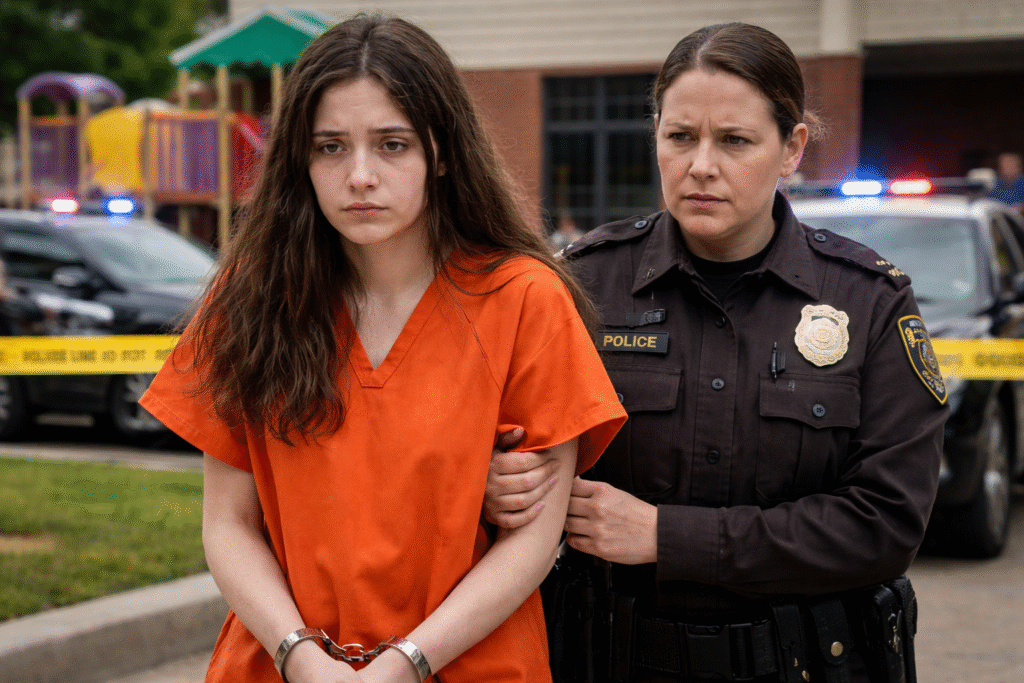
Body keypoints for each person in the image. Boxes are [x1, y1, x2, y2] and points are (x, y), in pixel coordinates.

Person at [139, 13, 625, 683]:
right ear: (299, 159)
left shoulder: (525, 299)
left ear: (441, 151)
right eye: (330, 147)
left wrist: (406, 663)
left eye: (391, 145)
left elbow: (535, 540)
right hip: (279, 665)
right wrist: (301, 657)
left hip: (471, 663)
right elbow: (226, 525)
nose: (360, 175)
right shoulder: (249, 298)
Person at [485, 22, 948, 683]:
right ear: (656, 135)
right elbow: (501, 449)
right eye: (680, 137)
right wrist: (498, 483)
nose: (701, 165)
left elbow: (886, 523)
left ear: (792, 148)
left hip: (803, 662)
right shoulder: (582, 284)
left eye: (734, 140)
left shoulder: (868, 300)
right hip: (609, 656)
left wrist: (667, 537)